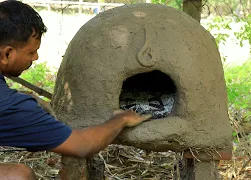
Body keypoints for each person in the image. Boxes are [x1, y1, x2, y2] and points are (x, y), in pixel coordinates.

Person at [0, 1, 151, 179]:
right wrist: (121, 119)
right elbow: (81, 145)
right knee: (19, 176)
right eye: (31, 52)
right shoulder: (12, 106)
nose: (36, 57)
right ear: (7, 54)